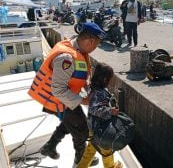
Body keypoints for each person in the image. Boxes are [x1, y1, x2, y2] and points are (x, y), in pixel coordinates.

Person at [28, 22, 105, 167]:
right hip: (59, 99)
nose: (95, 48)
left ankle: (49, 147)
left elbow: (77, 74)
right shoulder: (66, 58)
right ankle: (80, 161)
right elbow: (58, 90)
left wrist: (87, 86)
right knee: (82, 130)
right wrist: (84, 101)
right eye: (96, 45)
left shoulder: (75, 47)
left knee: (70, 123)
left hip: (66, 97)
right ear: (90, 41)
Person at [77, 62, 122, 168]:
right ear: (105, 80)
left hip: (93, 129)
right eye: (111, 79)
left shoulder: (93, 88)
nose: (111, 81)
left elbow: (92, 103)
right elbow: (94, 109)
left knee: (90, 151)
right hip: (102, 129)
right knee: (107, 151)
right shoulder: (100, 93)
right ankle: (110, 167)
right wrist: (110, 111)